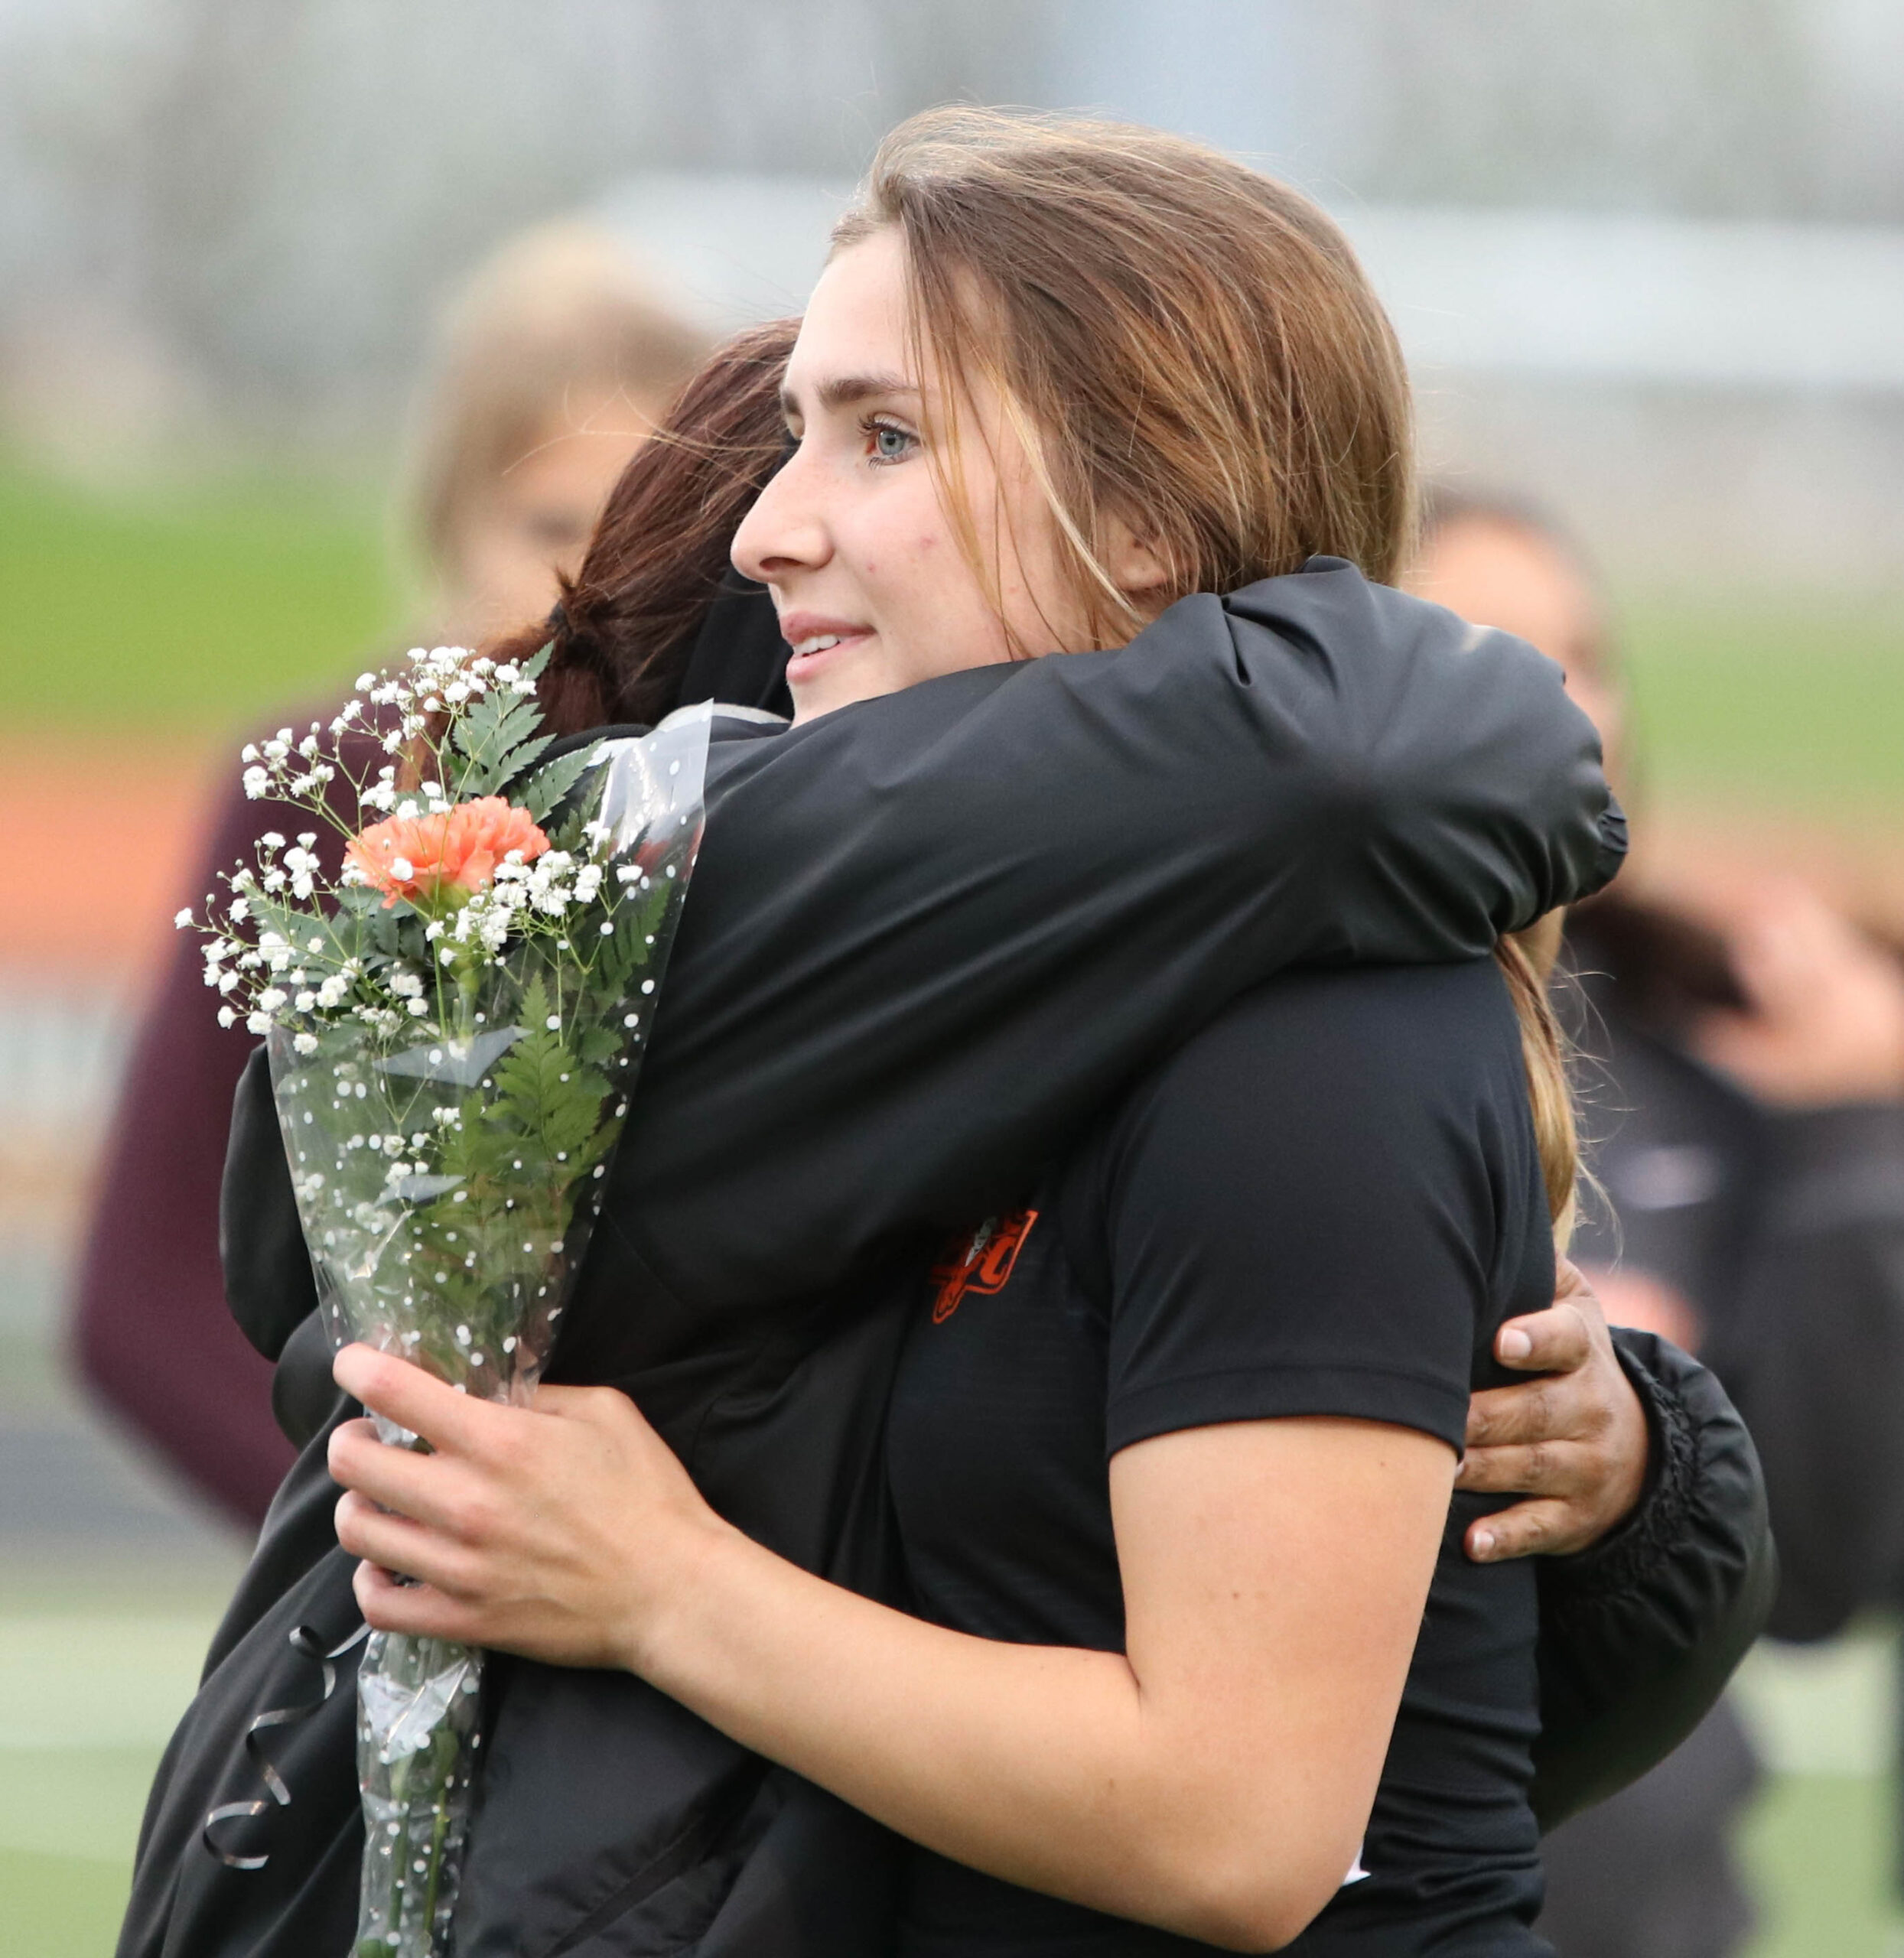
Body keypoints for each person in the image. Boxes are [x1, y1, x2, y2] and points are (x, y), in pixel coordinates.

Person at [303, 112, 1769, 1956]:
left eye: (886, 436)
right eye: (796, 431)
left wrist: (660, 1581)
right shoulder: (988, 986)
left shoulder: (1313, 1032)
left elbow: (1238, 1823)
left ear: (1146, 518)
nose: (769, 527)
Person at [70, 221, 709, 1523]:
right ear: (445, 519)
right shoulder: (320, 788)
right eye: (547, 522)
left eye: (649, 530)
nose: (592, 585)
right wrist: (390, 1530)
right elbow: (137, 1298)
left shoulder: (749, 791)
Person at [1409, 485, 1904, 1957]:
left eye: (1587, 657)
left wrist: (1853, 1143)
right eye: (1493, 651)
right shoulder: (1246, 1067)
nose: (1567, 705)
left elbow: (1818, 1574)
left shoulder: (1707, 1074)